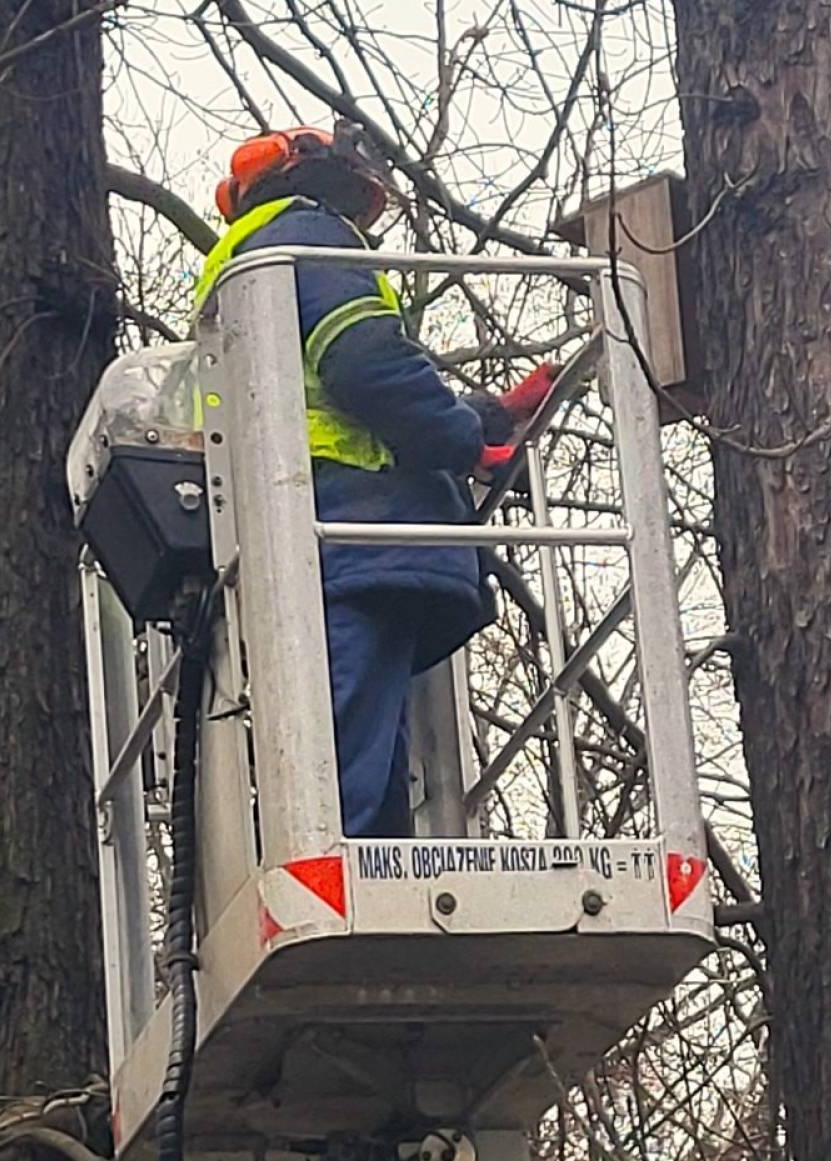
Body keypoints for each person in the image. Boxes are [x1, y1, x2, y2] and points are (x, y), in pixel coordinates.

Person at [192, 123, 554, 838]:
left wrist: (484, 415)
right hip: (351, 534)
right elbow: (366, 365)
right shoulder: (309, 236)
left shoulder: (240, 262)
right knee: (349, 788)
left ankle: (364, 891)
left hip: (311, 539)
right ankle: (348, 900)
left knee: (357, 762)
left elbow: (357, 386)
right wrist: (457, 438)